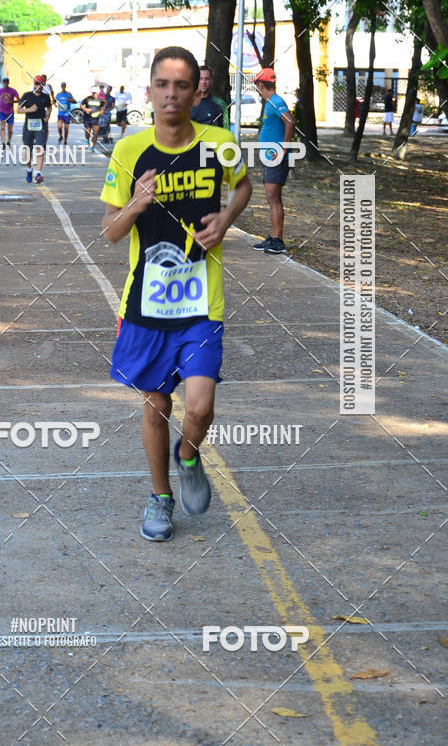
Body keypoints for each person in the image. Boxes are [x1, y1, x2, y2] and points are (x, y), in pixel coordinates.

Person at [100, 45, 252, 542]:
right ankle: (160, 498)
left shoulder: (219, 142)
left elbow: (244, 185)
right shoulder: (128, 152)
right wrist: (139, 202)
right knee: (156, 405)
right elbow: (110, 232)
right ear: (149, 91)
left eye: (181, 85)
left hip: (201, 304)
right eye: (162, 85)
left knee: (202, 407)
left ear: (195, 91)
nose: (171, 94)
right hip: (146, 305)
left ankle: (188, 455)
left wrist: (226, 220)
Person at [251, 67, 296, 255]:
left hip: (276, 159)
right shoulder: (271, 102)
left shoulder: (276, 102)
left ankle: (278, 240)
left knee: (273, 197)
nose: (256, 89)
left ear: (261, 84)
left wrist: (282, 148)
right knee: (271, 198)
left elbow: (290, 122)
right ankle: (273, 237)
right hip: (270, 158)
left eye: (256, 86)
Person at [18, 75, 52, 183]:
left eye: (41, 84)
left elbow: (49, 107)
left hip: (40, 125)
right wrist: (29, 109)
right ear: (34, 83)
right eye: (37, 83)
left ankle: (38, 173)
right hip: (28, 126)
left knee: (40, 149)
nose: (38, 86)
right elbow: (18, 110)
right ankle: (29, 169)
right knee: (28, 150)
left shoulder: (45, 97)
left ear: (43, 85)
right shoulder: (27, 95)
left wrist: (47, 116)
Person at [190, 65, 229, 129]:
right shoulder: (186, 103)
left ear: (211, 80)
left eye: (207, 79)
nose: (203, 82)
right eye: (201, 79)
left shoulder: (220, 104)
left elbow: (226, 130)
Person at [0, 77, 19, 148]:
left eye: (6, 82)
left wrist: (11, 101)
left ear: (8, 83)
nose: (5, 83)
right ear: (3, 83)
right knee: (2, 127)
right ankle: (3, 143)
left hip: (10, 112)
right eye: (4, 82)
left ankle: (8, 141)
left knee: (10, 129)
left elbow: (19, 100)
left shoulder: (13, 91)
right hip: (2, 112)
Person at [81, 87, 105, 152]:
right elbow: (81, 105)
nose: (93, 94)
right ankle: (88, 140)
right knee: (87, 132)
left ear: (97, 93)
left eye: (95, 93)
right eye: (93, 93)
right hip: (87, 118)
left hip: (95, 119)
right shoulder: (87, 98)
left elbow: (102, 110)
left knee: (96, 133)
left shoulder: (100, 100)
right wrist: (86, 109)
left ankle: (93, 146)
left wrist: (98, 114)